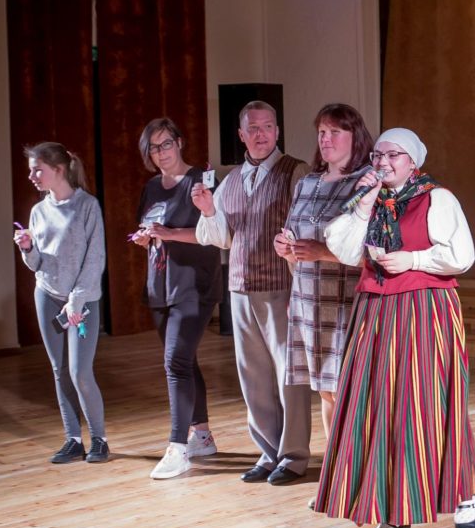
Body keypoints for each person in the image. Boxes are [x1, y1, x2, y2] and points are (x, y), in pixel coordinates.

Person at [315, 127, 475, 528]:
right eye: (378, 154)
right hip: (375, 310)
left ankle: (463, 493)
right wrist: (363, 203)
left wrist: (414, 259)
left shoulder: (436, 198)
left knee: (431, 402)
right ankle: (392, 512)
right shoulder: (371, 201)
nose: (383, 162)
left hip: (425, 308)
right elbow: (344, 250)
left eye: (394, 155)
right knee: (379, 409)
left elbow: (462, 256)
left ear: (413, 162)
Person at [192, 101, 313, 486]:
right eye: (253, 128)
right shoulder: (230, 181)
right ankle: (268, 451)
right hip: (240, 288)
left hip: (282, 286)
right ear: (241, 135)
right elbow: (220, 238)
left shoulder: (295, 171)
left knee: (289, 375)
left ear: (277, 131)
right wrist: (208, 210)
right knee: (253, 377)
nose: (262, 134)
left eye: (268, 126)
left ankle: (294, 455)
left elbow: (307, 226)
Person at [132, 118, 224, 479]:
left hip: (194, 285)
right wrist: (146, 238)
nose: (161, 152)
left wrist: (168, 233)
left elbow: (211, 233)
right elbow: (150, 229)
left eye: (166, 144)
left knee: (175, 362)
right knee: (185, 362)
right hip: (160, 284)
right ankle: (202, 436)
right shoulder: (152, 187)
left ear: (180, 142)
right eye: (153, 147)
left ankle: (177, 448)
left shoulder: (201, 182)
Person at [273, 104, 373, 437]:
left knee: (346, 389)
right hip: (308, 300)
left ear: (355, 136)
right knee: (325, 390)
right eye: (321, 132)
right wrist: (285, 247)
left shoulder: (366, 183)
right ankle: (334, 461)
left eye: (335, 132)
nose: (326, 139)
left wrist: (323, 253)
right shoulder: (307, 183)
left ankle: (354, 459)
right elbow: (294, 235)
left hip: (346, 300)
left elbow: (372, 252)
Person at [14, 142, 108, 464]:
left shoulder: (87, 206)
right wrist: (27, 248)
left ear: (58, 169)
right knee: (59, 370)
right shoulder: (38, 211)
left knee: (80, 371)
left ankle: (99, 439)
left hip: (82, 303)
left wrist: (76, 301)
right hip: (48, 295)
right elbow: (37, 264)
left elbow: (95, 260)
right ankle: (73, 440)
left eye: (37, 170)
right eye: (31, 171)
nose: (32, 176)